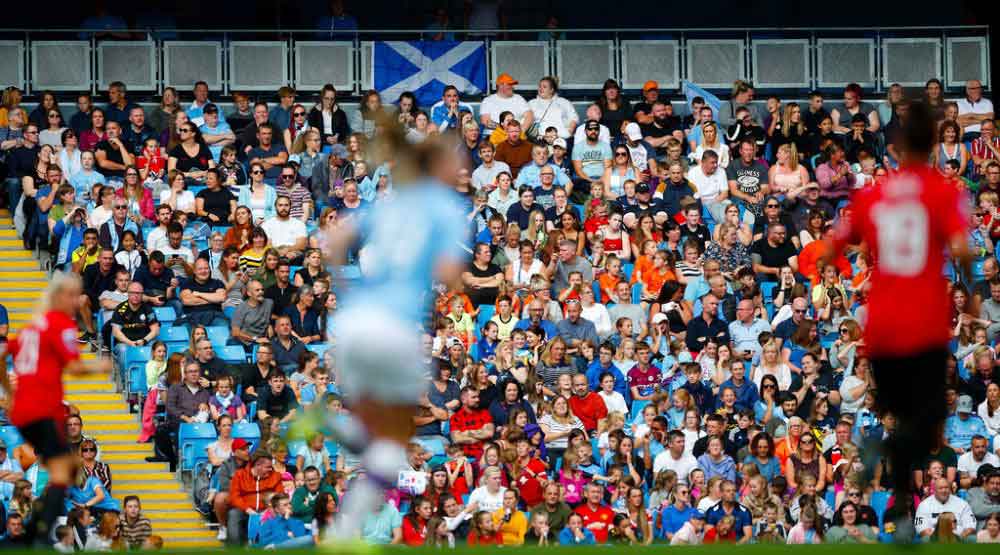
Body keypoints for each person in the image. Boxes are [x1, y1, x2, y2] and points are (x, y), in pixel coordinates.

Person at [830, 101, 973, 533]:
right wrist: (977, 297)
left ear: (894, 147)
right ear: (931, 143)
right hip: (925, 324)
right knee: (926, 419)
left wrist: (823, 258)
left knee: (893, 408)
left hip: (884, 325)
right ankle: (900, 488)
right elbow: (965, 250)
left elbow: (840, 243)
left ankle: (893, 484)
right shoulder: (942, 191)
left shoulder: (875, 192)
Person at [323, 126, 469, 541]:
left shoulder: (390, 202)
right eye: (455, 160)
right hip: (393, 328)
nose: (461, 167)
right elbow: (448, 273)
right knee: (397, 437)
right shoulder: (444, 208)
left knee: (381, 435)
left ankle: (343, 533)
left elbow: (335, 238)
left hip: (354, 323)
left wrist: (344, 285)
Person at [3, 272, 111, 541]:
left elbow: (3, 353)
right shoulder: (60, 324)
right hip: (41, 410)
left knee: (70, 467)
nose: (77, 301)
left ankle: (34, 531)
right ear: (61, 296)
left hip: (23, 412)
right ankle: (35, 535)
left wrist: (9, 393)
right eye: (73, 295)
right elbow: (74, 367)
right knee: (63, 473)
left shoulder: (32, 326)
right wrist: (101, 364)